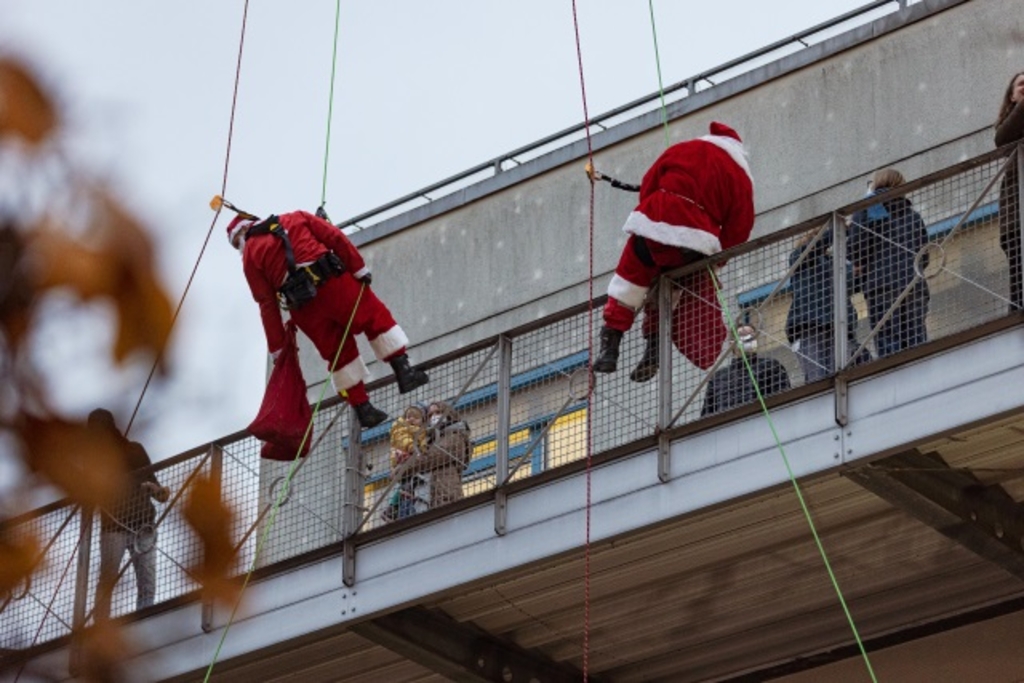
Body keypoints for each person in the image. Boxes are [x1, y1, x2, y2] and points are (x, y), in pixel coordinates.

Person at [227, 210, 428, 430]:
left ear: (245, 230)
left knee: (337, 353)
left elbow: (267, 305)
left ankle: (363, 409)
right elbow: (335, 237)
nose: (240, 248)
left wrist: (278, 348)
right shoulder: (295, 218)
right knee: (374, 317)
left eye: (238, 243)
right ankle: (404, 372)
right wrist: (359, 268)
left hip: (303, 308)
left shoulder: (249, 259)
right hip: (333, 283)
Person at [592, 121, 755, 378]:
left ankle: (610, 346)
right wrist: (717, 259)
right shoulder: (740, 176)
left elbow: (648, 184)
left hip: (652, 226)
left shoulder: (682, 149)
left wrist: (655, 213)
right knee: (669, 290)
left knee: (629, 280)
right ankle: (654, 349)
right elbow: (740, 226)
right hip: (695, 244)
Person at [89, 408, 169, 621]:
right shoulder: (99, 460)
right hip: (123, 526)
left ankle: (136, 621)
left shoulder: (131, 451)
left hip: (137, 525)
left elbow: (156, 488)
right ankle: (106, 625)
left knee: (138, 580)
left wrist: (157, 491)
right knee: (130, 580)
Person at [848, 169, 930, 358]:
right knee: (917, 343)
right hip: (913, 286)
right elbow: (924, 257)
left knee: (889, 347)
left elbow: (856, 250)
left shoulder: (866, 209)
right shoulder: (913, 216)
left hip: (881, 287)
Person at [785, 229, 869, 382]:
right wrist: (839, 230)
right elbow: (815, 247)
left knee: (841, 375)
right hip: (810, 327)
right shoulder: (799, 257)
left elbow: (853, 280)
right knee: (817, 378)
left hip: (838, 325)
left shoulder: (837, 264)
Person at [700, 325, 790, 416]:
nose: (748, 338)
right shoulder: (718, 377)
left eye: (752, 335)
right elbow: (708, 413)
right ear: (732, 344)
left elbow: (783, 398)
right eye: (742, 335)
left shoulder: (770, 365)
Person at [995, 71, 1024, 312]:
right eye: (1022, 84)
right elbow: (1002, 139)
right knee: (1020, 282)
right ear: (1012, 96)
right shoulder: (1009, 125)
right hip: (1017, 219)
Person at [386, 403, 429, 520]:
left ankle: (393, 507)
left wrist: (423, 448)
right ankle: (392, 508)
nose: (411, 419)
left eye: (416, 417)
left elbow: (423, 442)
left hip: (410, 458)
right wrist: (413, 448)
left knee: (408, 483)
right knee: (406, 484)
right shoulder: (401, 427)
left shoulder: (421, 431)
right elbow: (403, 440)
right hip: (403, 456)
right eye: (409, 416)